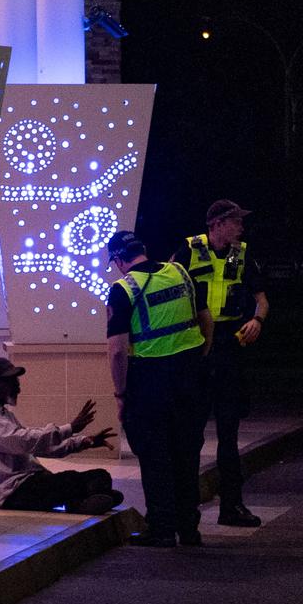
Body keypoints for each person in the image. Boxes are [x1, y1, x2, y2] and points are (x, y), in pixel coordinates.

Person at [106, 230, 213, 547]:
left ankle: (162, 528)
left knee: (155, 457)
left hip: (150, 381)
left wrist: (121, 394)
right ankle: (189, 528)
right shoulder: (180, 272)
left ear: (119, 259)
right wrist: (199, 354)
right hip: (190, 375)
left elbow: (116, 350)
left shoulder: (123, 289)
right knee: (186, 453)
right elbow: (206, 319)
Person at [171, 200, 269, 528]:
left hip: (228, 345)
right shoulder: (187, 252)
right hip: (196, 347)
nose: (241, 227)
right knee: (191, 432)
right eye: (235, 221)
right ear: (216, 224)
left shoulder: (240, 255)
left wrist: (257, 320)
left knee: (229, 432)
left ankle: (232, 505)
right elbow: (169, 291)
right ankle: (185, 511)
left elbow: (262, 300)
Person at [0, 357, 122, 514]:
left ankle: (83, 499)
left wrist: (84, 442)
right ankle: (83, 499)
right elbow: (22, 441)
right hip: (12, 491)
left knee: (98, 477)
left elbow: (35, 447)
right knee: (95, 478)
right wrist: (70, 428)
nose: (17, 387)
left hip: (23, 484)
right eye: (11, 380)